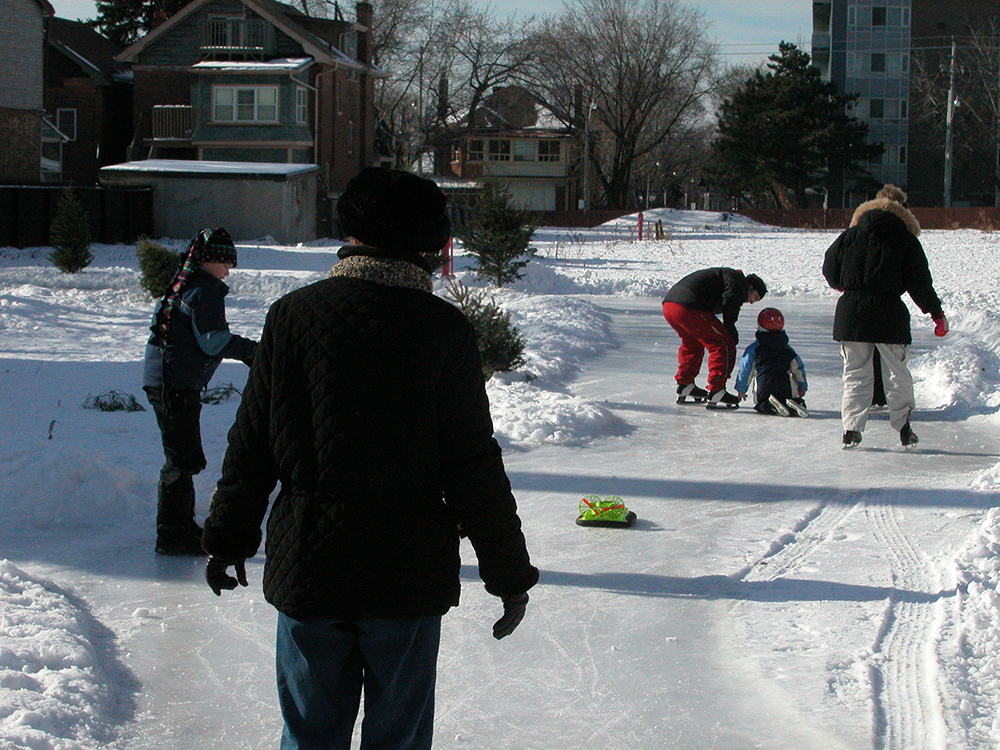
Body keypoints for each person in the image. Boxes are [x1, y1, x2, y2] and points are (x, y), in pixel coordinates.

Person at [201, 167, 539, 750]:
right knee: (399, 738)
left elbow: (253, 445)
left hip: (311, 561)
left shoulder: (293, 316)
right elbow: (472, 465)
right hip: (404, 572)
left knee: (309, 735)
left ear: (350, 230)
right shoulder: (442, 329)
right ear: (430, 244)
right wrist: (507, 573)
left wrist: (229, 537)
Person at [143, 227, 257, 556]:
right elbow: (214, 341)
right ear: (211, 260)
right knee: (182, 459)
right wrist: (254, 351)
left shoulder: (187, 284)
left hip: (167, 380)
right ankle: (173, 534)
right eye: (226, 263)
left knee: (182, 458)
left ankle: (179, 527)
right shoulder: (203, 289)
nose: (229, 271)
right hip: (173, 382)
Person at [822, 184, 948, 449]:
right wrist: (937, 314)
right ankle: (903, 427)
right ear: (903, 210)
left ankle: (851, 429)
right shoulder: (906, 240)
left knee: (855, 374)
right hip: (889, 315)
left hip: (851, 314)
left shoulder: (849, 235)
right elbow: (920, 284)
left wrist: (845, 285)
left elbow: (829, 268)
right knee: (896, 373)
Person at [662, 267, 767, 409]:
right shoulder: (737, 281)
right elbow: (730, 300)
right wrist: (730, 327)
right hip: (688, 305)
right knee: (724, 343)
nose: (752, 302)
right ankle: (717, 390)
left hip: (670, 305)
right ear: (750, 287)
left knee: (692, 342)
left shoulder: (730, 278)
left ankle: (685, 384)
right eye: (755, 297)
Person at [734, 307, 809, 417]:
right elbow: (798, 368)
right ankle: (796, 402)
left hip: (764, 386)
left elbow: (746, 370)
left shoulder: (753, 350)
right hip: (786, 386)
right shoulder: (787, 349)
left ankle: (767, 404)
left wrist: (741, 389)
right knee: (789, 390)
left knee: (761, 402)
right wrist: (802, 386)